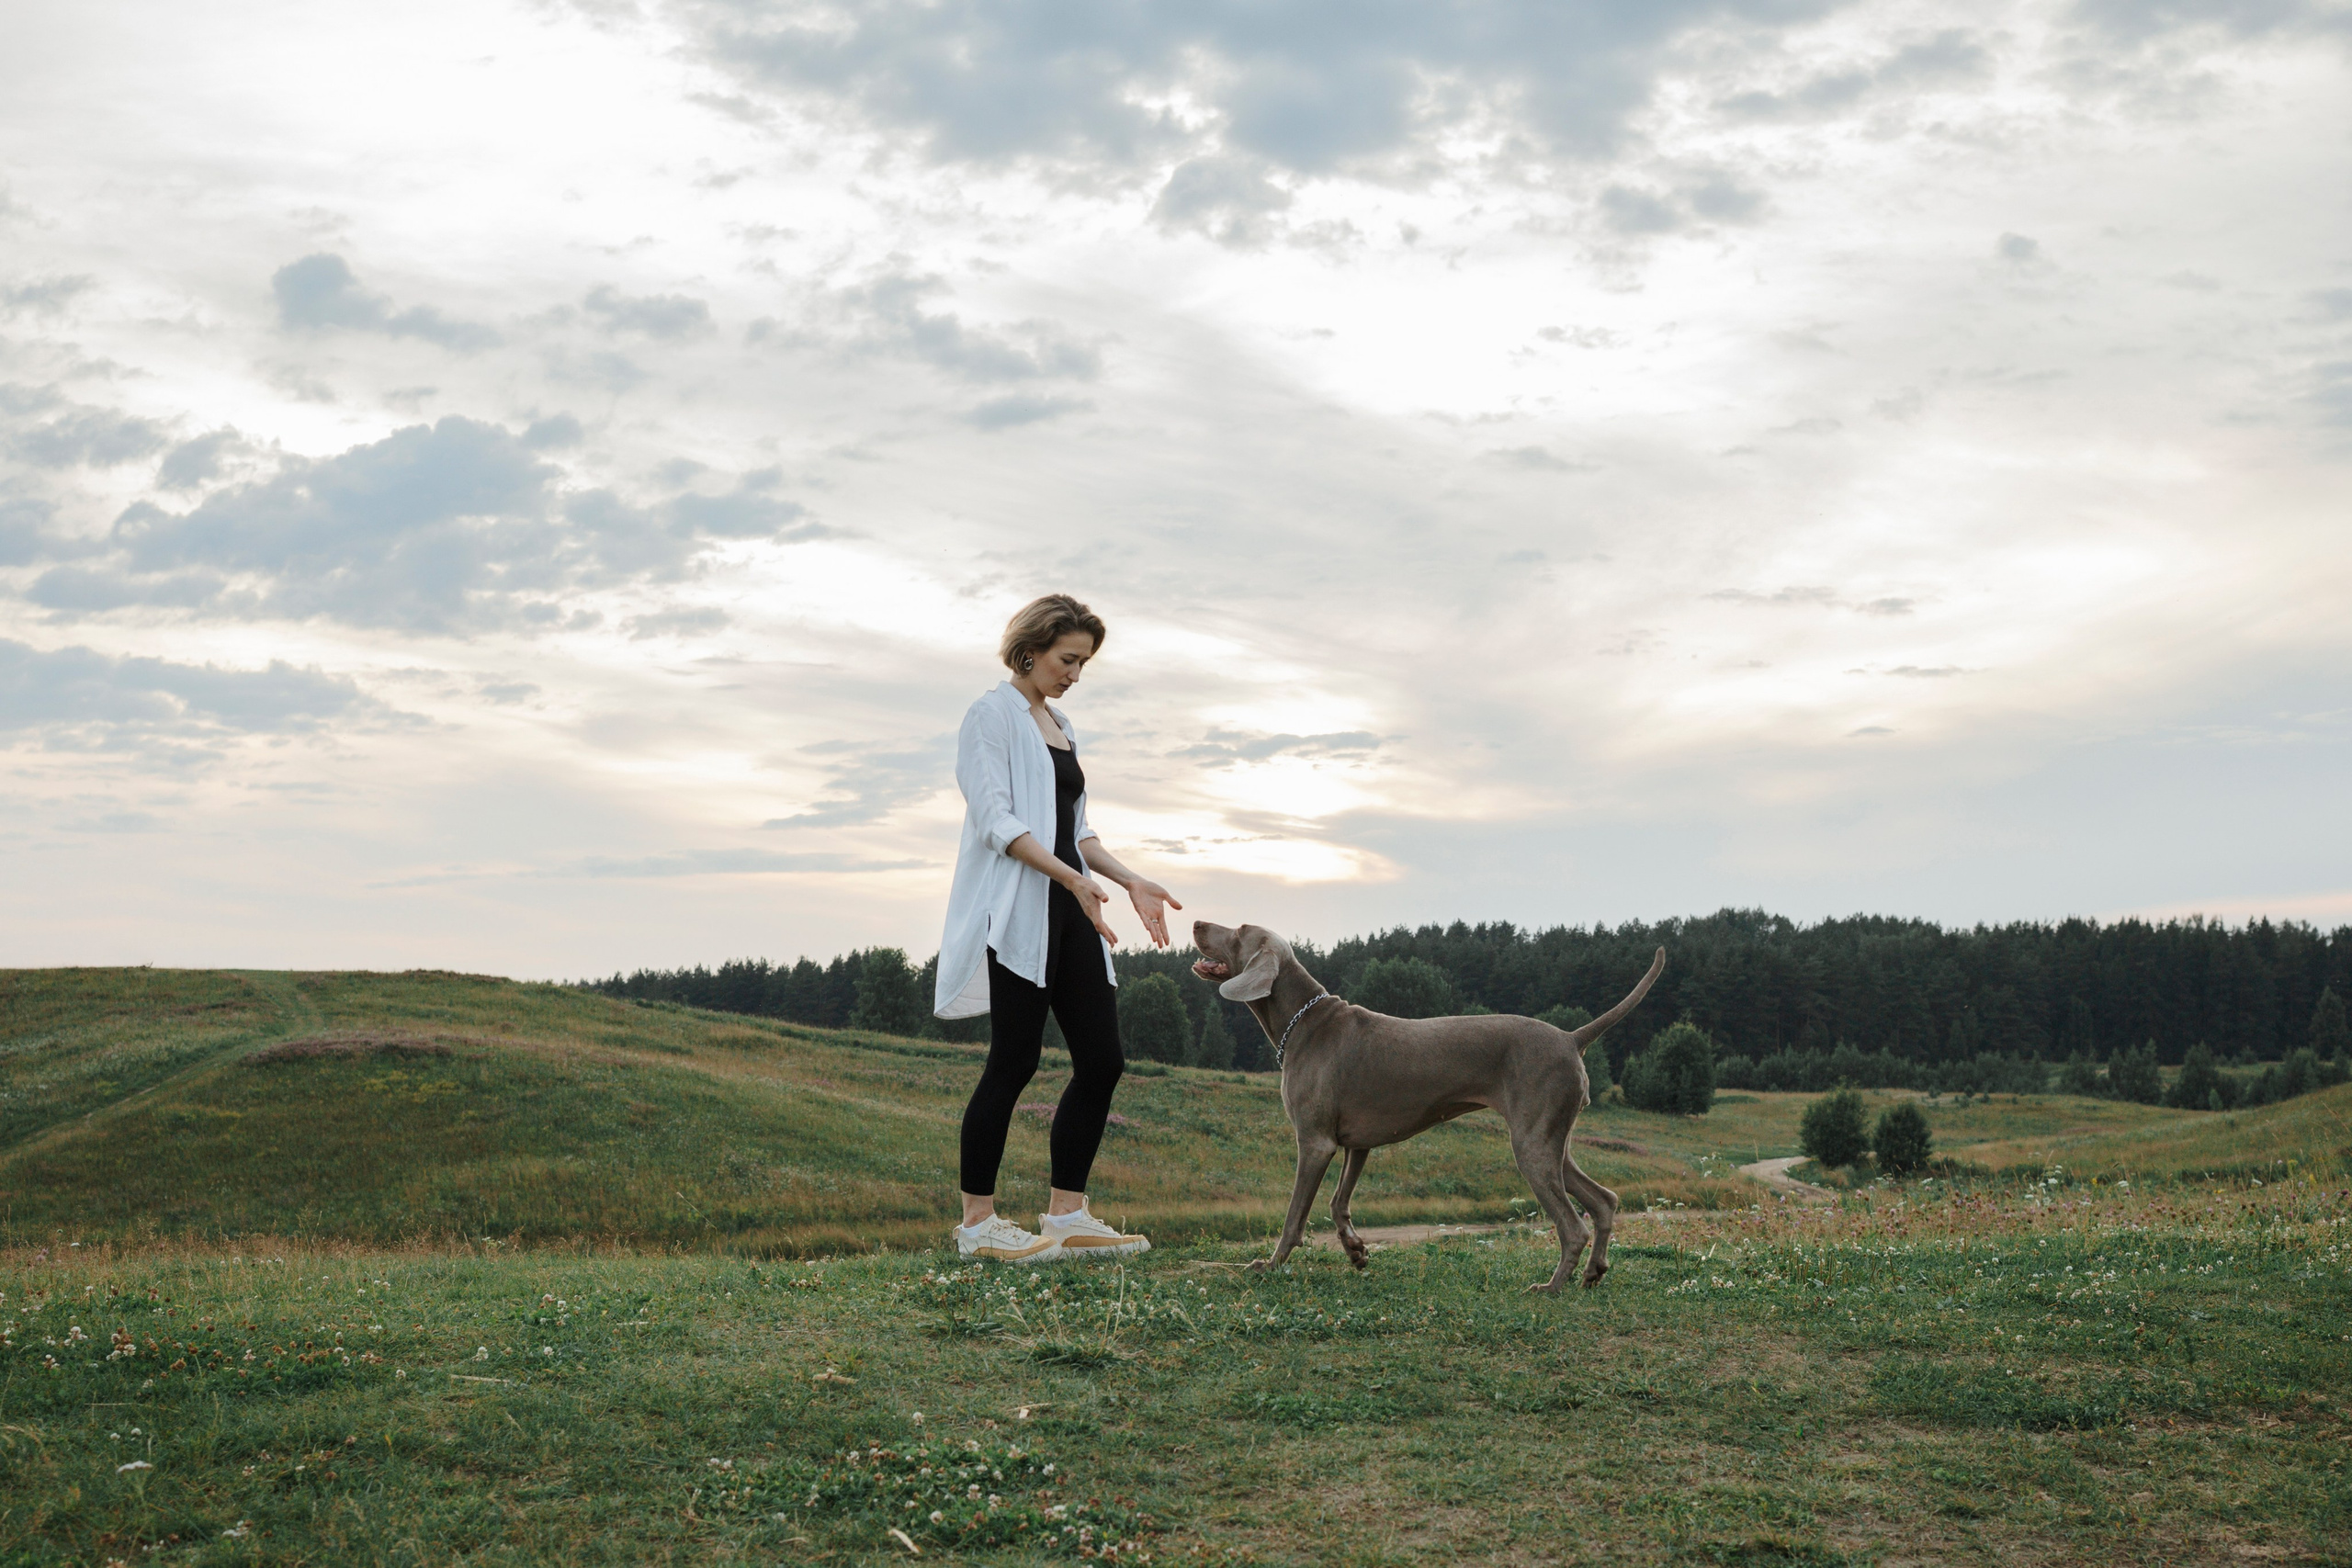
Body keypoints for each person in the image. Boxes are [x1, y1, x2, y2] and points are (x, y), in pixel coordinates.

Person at [935, 593, 1182, 1262]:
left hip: (1076, 910)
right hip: (1020, 910)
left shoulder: (1061, 724)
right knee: (1014, 1061)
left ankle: (1068, 1215)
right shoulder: (990, 716)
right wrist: (1069, 878)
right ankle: (978, 1225)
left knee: (1102, 1061)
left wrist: (1129, 879)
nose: (1074, 674)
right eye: (1067, 659)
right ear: (1029, 650)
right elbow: (997, 821)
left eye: (1083, 664)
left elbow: (1078, 830)